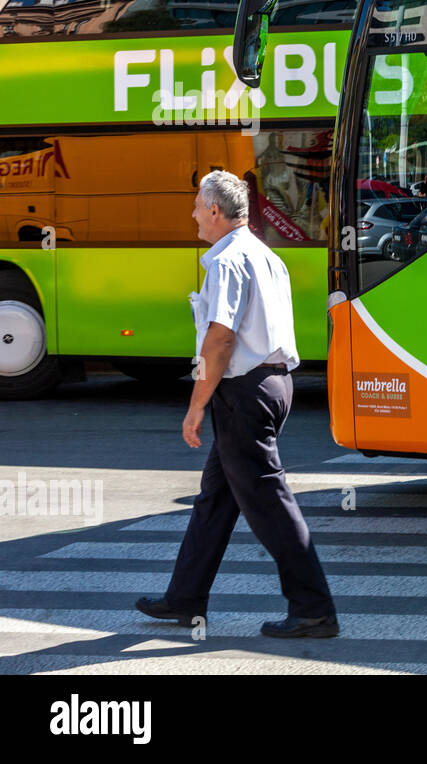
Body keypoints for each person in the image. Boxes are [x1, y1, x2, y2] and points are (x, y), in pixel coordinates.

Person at [134, 170, 338, 638]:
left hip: (244, 392)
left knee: (269, 502)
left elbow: (220, 340)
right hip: (272, 385)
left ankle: (314, 608)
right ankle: (185, 597)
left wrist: (196, 405)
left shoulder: (227, 261)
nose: (192, 214)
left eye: (195, 205)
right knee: (216, 499)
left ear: (214, 210)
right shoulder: (265, 255)